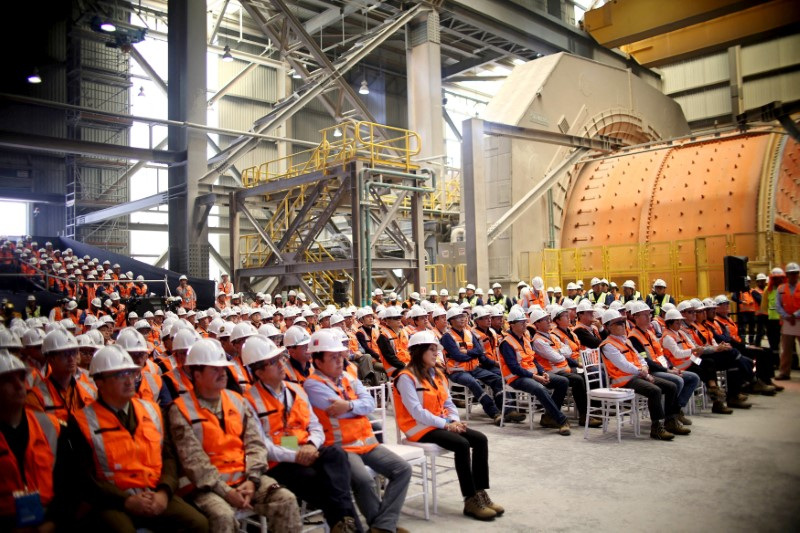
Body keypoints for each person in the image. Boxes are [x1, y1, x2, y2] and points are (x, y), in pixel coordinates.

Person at [57, 345, 207, 531]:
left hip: (154, 492)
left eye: (132, 374)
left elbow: (168, 457)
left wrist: (164, 491)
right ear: (99, 382)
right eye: (120, 375)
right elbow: (84, 478)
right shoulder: (82, 421)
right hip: (113, 501)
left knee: (198, 523)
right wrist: (126, 500)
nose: (129, 381)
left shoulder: (152, 411)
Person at [168, 339, 302, 533]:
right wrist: (227, 492)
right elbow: (194, 463)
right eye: (214, 369)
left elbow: (255, 444)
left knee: (286, 499)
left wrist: (252, 479)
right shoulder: (180, 410)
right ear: (196, 374)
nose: (222, 373)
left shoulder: (236, 401)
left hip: (245, 479)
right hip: (205, 487)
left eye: (223, 368)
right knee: (222, 516)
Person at [241, 335, 358, 533]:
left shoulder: (296, 390)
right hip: (278, 462)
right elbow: (263, 445)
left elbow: (316, 426)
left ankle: (343, 524)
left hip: (307, 448)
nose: (281, 364)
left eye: (281, 358)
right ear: (258, 371)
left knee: (337, 455)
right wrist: (296, 454)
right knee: (321, 480)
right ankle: (349, 526)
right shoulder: (247, 401)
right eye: (273, 362)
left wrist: (311, 446)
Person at [304, 329, 411, 533]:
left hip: (365, 441)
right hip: (340, 447)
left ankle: (381, 525)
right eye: (333, 357)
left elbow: (369, 404)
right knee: (363, 480)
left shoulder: (347, 376)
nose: (339, 360)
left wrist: (349, 406)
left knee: (402, 469)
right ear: (317, 361)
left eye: (340, 355)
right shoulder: (312, 385)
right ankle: (383, 526)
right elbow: (340, 413)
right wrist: (354, 406)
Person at [394, 331, 503, 521]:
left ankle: (480, 492)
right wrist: (447, 425)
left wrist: (454, 420)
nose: (436, 353)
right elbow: (417, 412)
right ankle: (470, 500)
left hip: (439, 424)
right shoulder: (406, 377)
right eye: (432, 350)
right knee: (461, 444)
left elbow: (448, 403)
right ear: (419, 351)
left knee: (480, 439)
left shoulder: (437, 374)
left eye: (436, 350)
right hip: (418, 428)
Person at [0, 349, 62, 531]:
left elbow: (64, 481)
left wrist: (53, 522)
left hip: (49, 519)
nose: (20, 386)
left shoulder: (48, 425)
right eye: (7, 381)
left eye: (20, 378)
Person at [599, 309, 683, 440]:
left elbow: (639, 357)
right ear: (607, 327)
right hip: (624, 380)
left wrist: (644, 366)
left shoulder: (625, 340)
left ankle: (671, 420)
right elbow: (623, 365)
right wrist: (643, 372)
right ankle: (657, 427)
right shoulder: (607, 345)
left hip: (639, 375)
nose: (623, 325)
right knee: (655, 391)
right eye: (618, 323)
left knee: (671, 386)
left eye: (623, 322)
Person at [498, 309, 571, 435]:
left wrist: (542, 372)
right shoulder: (506, 343)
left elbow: (533, 359)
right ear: (512, 324)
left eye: (525, 322)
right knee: (540, 388)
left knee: (563, 381)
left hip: (533, 375)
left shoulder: (525, 338)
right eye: (521, 323)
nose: (525, 325)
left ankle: (549, 417)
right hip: (516, 378)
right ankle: (561, 420)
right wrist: (535, 377)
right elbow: (514, 368)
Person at [626, 301, 698, 426]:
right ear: (635, 317)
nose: (649, 317)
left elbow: (661, 355)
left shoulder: (650, 333)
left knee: (693, 377)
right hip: (651, 370)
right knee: (678, 381)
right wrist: (667, 371)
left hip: (664, 367)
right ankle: (671, 417)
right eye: (645, 315)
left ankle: (675, 410)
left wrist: (671, 367)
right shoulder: (634, 337)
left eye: (649, 314)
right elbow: (646, 362)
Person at [441, 307, 517, 425]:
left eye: (463, 316)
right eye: (458, 317)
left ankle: (508, 410)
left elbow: (479, 350)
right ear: (451, 321)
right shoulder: (447, 337)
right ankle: (494, 413)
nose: (462, 319)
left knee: (497, 379)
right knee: (473, 383)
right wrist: (472, 355)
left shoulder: (468, 333)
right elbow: (457, 356)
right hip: (457, 371)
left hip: (474, 368)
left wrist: (467, 353)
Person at [27, 329, 96, 423]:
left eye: (74, 352)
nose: (71, 358)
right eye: (65, 354)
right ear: (50, 358)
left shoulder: (90, 391)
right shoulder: (36, 398)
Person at [776, 262, 800, 380]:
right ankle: (784, 372)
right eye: (791, 274)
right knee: (786, 349)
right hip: (787, 322)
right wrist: (786, 316)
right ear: (787, 275)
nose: (794, 276)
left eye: (795, 273)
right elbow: (778, 305)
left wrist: (795, 315)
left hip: (799, 320)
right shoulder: (781, 289)